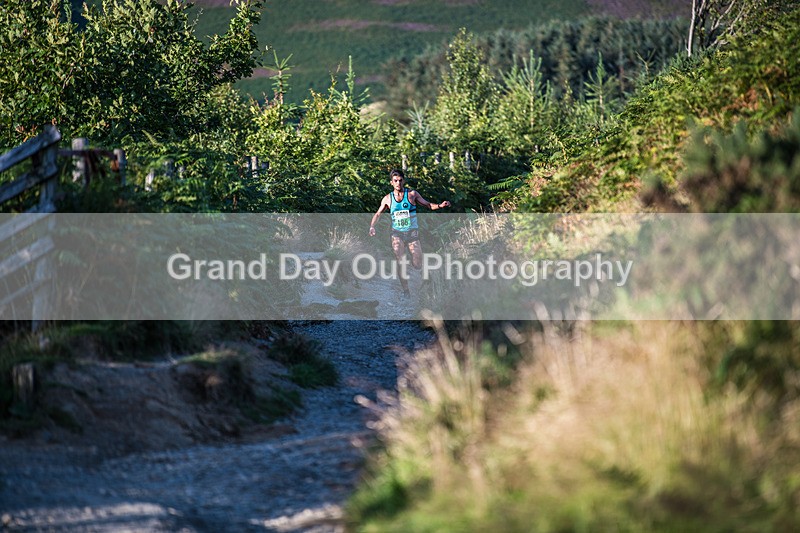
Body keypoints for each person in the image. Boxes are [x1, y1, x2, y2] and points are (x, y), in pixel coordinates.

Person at [369, 169, 451, 295]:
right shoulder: (387, 199)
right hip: (397, 233)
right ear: (391, 182)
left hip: (412, 232)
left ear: (404, 181)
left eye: (400, 180)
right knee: (400, 261)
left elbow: (428, 205)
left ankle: (423, 276)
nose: (398, 183)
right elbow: (378, 214)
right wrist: (372, 226)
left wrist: (440, 205)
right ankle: (406, 291)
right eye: (395, 181)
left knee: (417, 263)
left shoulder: (412, 194)